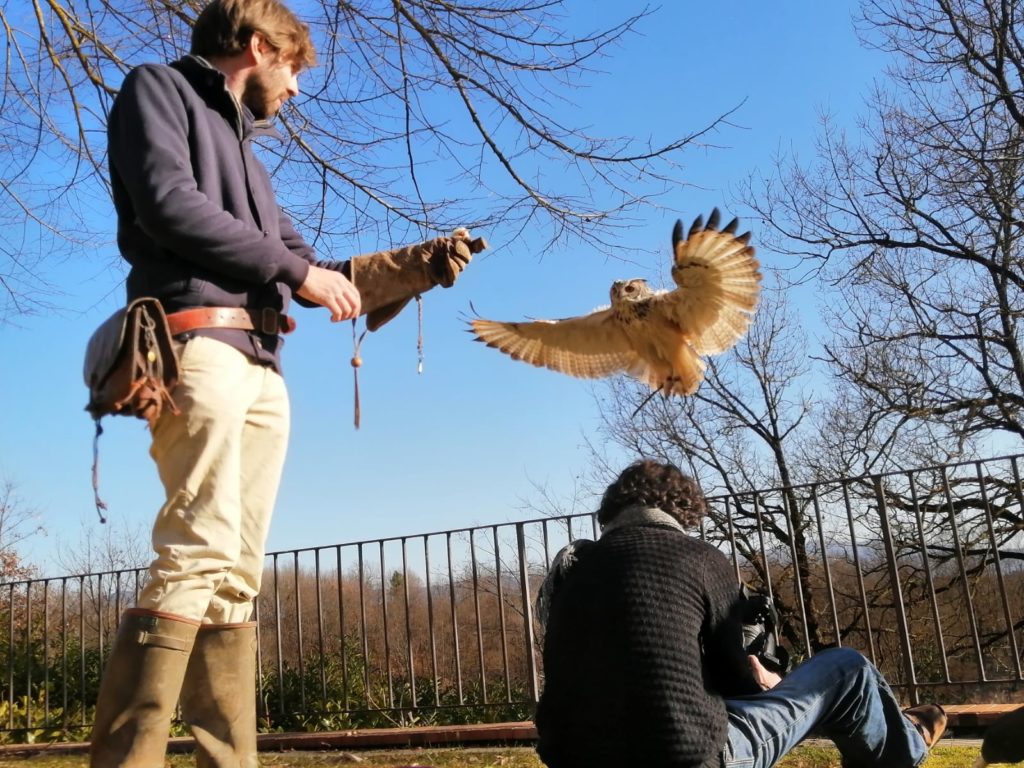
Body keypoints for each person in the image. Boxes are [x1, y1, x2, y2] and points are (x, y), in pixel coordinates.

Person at [89, 1, 476, 766]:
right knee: (195, 553)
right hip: (195, 344)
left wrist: (417, 267)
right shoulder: (155, 90)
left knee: (237, 576)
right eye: (295, 69)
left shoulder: (253, 163)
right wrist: (296, 269)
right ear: (259, 47)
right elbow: (170, 206)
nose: (297, 90)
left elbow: (311, 269)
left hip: (264, 370)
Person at [534, 459, 947, 768]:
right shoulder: (699, 557)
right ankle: (909, 744)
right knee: (847, 668)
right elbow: (736, 682)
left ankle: (904, 734)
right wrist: (769, 683)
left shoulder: (573, 571)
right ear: (685, 513)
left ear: (610, 514)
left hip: (572, 759)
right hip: (691, 758)